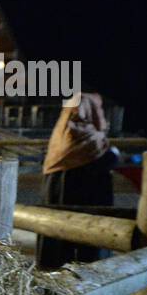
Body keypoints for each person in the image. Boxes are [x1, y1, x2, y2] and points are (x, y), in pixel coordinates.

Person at [39, 92, 118, 268]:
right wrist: (114, 154)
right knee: (86, 242)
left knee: (58, 240)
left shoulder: (63, 131)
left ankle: (53, 272)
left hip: (58, 189)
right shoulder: (88, 136)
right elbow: (103, 160)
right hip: (85, 196)